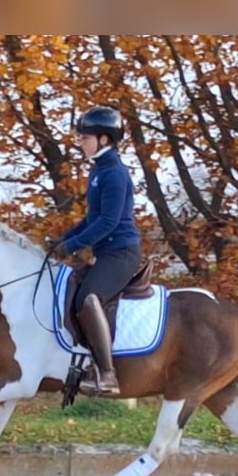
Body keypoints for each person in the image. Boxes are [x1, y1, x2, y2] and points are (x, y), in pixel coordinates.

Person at [51, 106, 142, 395]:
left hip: (122, 253)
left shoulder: (114, 172)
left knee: (90, 299)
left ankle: (107, 374)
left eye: (84, 137)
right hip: (107, 253)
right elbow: (91, 219)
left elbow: (108, 222)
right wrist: (61, 242)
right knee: (74, 292)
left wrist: (73, 246)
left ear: (104, 139)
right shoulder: (99, 171)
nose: (80, 142)